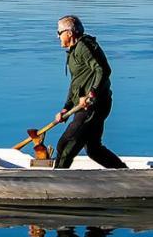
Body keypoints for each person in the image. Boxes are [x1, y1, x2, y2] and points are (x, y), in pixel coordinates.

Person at [53, 15, 126, 169]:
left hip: (93, 106)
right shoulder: (74, 51)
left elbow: (103, 69)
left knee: (65, 144)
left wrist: (92, 93)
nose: (57, 36)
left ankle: (57, 180)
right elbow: (76, 84)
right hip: (87, 105)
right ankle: (124, 174)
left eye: (59, 32)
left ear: (69, 33)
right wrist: (66, 107)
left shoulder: (84, 47)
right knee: (93, 149)